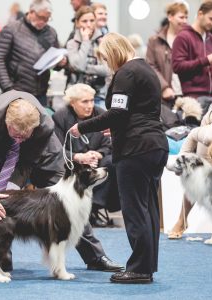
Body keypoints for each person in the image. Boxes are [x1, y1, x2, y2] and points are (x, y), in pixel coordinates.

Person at [0, 89, 124, 273]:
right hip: (1, 156)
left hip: (47, 158)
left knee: (69, 206)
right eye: (16, 135)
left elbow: (26, 162)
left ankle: (95, 257)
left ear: (34, 128)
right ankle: (0, 259)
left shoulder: (45, 125)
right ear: (6, 123)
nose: (19, 140)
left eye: (24, 136)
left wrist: (11, 191)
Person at [70, 32, 169, 284]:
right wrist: (115, 127)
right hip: (155, 145)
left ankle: (137, 269)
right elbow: (133, 112)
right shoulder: (146, 70)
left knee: (134, 211)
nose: (106, 64)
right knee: (149, 209)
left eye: (105, 58)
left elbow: (117, 112)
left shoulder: (126, 73)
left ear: (114, 52)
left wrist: (82, 127)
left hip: (136, 149)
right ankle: (146, 266)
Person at [52, 83, 120, 227]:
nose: (90, 105)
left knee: (113, 162)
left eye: (92, 100)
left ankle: (93, 208)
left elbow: (109, 144)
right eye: (84, 101)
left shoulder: (101, 114)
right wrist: (78, 157)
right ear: (72, 103)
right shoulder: (60, 116)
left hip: (97, 161)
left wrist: (98, 154)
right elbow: (56, 148)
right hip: (72, 162)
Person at [168, 102, 212, 239]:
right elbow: (190, 140)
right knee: (196, 179)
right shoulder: (206, 135)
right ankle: (182, 221)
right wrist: (182, 166)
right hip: (211, 122)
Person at [0, 0, 66, 107]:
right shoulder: (12, 29)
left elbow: (55, 58)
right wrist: (8, 87)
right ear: (31, 12)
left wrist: (60, 63)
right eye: (41, 18)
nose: (44, 22)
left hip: (41, 92)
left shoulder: (51, 33)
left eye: (47, 19)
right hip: (16, 91)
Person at [172, 1, 212, 100]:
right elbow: (177, 66)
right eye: (211, 19)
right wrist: (205, 61)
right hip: (194, 96)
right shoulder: (183, 37)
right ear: (200, 14)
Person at [66, 6, 110, 109]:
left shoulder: (102, 42)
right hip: (77, 96)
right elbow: (78, 66)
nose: (89, 24)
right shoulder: (72, 44)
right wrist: (86, 40)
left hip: (99, 95)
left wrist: (85, 67)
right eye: (84, 21)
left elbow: (107, 69)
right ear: (77, 23)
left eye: (92, 20)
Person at [146, 1, 188, 108]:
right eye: (181, 17)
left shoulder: (189, 39)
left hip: (186, 94)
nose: (185, 21)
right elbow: (150, 66)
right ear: (170, 17)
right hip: (164, 96)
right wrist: (164, 87)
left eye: (186, 17)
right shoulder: (154, 40)